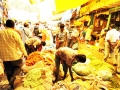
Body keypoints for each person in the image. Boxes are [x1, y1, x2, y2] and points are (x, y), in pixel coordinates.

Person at [0, 19, 28, 89]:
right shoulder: (15, 33)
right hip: (15, 57)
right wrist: (25, 54)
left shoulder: (0, 33)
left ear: (5, 25)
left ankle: (11, 84)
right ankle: (11, 84)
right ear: (13, 26)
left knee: (9, 71)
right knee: (18, 69)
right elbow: (21, 45)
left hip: (4, 57)